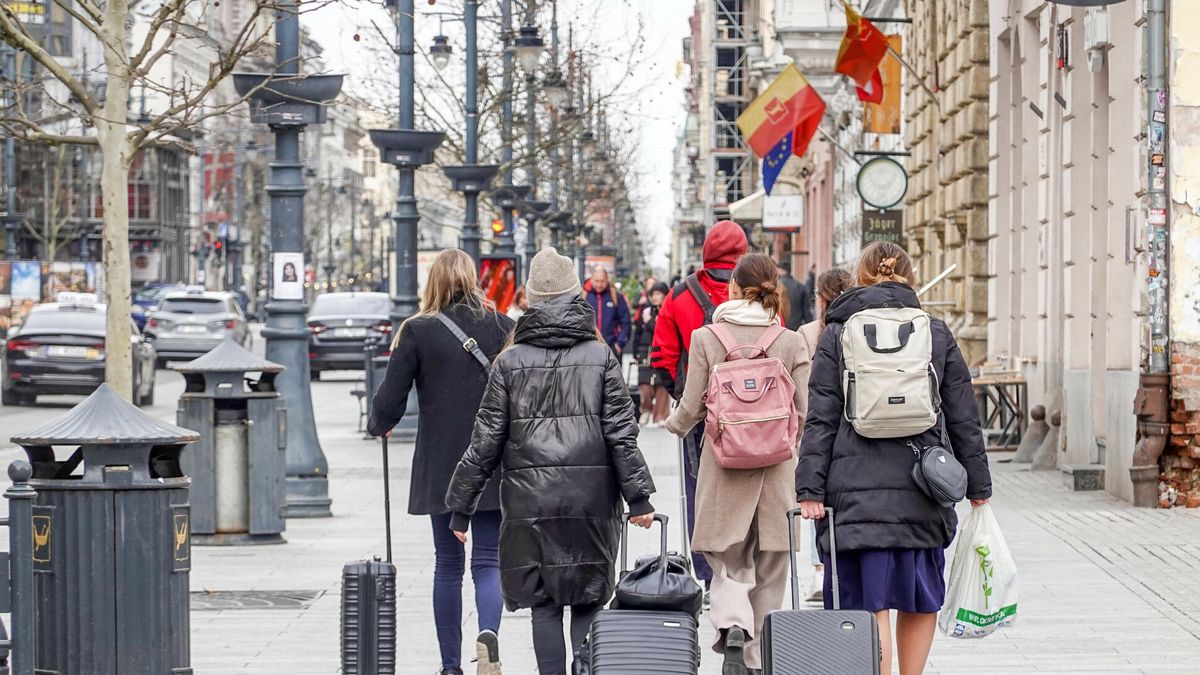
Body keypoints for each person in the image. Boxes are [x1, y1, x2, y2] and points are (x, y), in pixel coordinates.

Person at [446, 247, 657, 675]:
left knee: (543, 605)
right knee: (589, 597)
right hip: (590, 500)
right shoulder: (600, 356)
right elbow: (621, 432)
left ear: (531, 299)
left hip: (530, 502)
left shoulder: (509, 361)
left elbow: (484, 441)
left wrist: (461, 508)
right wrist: (639, 499)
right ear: (575, 294)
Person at [795, 242, 992, 675]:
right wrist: (978, 486)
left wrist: (810, 488)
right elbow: (963, 416)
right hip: (922, 486)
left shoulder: (837, 333)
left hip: (853, 492)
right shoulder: (934, 331)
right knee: (919, 598)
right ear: (911, 276)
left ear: (861, 277)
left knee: (871, 602)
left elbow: (821, 417)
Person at [367, 248, 515, 675]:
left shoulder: (417, 330)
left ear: (433, 282)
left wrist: (380, 424)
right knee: (488, 560)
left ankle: (450, 665)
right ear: (473, 279)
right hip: (493, 460)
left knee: (447, 564)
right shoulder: (505, 327)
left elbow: (388, 402)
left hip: (442, 464)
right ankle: (488, 634)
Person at [666, 254, 811, 675]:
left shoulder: (707, 337)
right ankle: (756, 657)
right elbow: (804, 409)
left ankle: (732, 624)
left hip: (724, 466)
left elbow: (692, 406)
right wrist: (788, 442)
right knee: (772, 565)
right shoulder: (790, 341)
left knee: (727, 559)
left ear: (732, 288)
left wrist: (675, 426)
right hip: (776, 471)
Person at [651, 218, 748, 590]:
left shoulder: (680, 295)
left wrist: (681, 393)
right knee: (746, 487)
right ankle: (741, 568)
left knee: (699, 490)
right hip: (750, 411)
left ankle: (708, 573)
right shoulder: (757, 291)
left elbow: (661, 354)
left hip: (699, 411)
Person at [796, 267, 853, 603]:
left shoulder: (807, 332)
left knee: (814, 499)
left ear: (820, 298)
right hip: (849, 428)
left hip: (814, 424)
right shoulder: (855, 329)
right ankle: (832, 568)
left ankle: (820, 571)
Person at [630, 281, 670, 426]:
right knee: (644, 383)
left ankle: (660, 415)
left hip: (663, 352)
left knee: (662, 384)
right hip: (645, 351)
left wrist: (650, 322)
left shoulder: (669, 311)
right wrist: (635, 352)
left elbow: (661, 330)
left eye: (658, 294)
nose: (655, 297)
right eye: (653, 294)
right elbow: (638, 333)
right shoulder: (645, 311)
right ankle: (645, 409)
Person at [584, 266, 632, 356]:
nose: (599, 284)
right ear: (591, 279)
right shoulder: (584, 296)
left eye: (602, 281)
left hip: (611, 347)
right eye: (597, 281)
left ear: (607, 280)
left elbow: (626, 322)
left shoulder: (616, 297)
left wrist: (619, 344)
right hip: (588, 348)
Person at [777, 259, 812, 330]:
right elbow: (806, 312)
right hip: (795, 327)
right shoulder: (800, 287)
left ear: (780, 270)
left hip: (778, 327)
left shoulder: (774, 286)